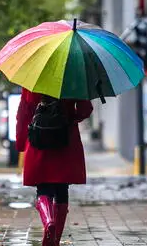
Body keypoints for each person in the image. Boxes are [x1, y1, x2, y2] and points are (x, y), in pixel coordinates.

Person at [16, 88, 93, 246]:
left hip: (39, 138)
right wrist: (71, 118)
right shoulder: (73, 78)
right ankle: (55, 240)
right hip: (65, 139)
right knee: (62, 190)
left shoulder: (33, 81)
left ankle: (48, 221)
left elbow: (24, 111)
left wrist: (20, 141)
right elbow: (86, 109)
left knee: (43, 187)